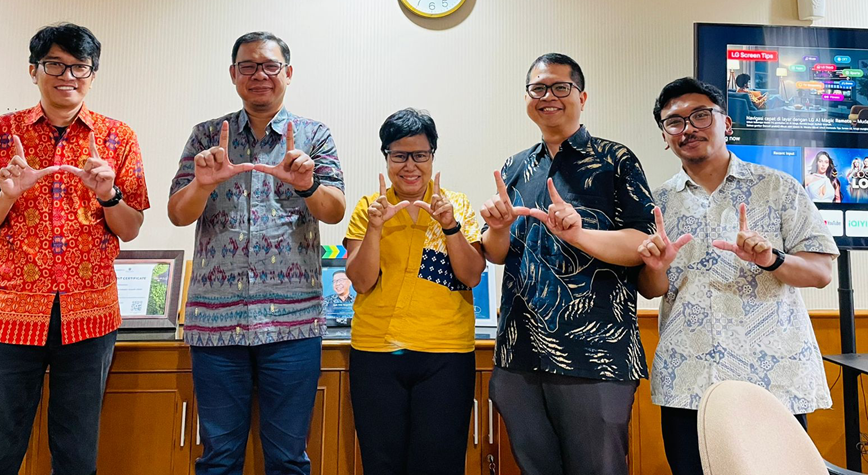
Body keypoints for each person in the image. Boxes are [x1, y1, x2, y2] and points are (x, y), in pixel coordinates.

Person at [0, 23, 149, 475]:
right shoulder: (0, 133)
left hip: (90, 316)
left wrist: (108, 195)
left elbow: (131, 229)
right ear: (33, 70)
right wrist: (7, 195)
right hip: (8, 313)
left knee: (76, 456)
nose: (67, 76)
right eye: (54, 64)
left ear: (92, 74)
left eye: (79, 67)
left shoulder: (118, 137)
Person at [638, 77, 836, 475]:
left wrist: (771, 259)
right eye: (674, 122)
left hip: (771, 376)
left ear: (726, 123)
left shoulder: (778, 188)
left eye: (700, 116)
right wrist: (655, 269)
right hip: (688, 378)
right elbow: (650, 290)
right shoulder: (656, 204)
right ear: (664, 136)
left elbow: (821, 272)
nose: (688, 128)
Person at [168, 31, 345, 475]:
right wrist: (202, 185)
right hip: (216, 325)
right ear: (233, 74)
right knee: (218, 458)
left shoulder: (313, 135)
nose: (259, 75)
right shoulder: (207, 136)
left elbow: (335, 210)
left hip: (293, 325)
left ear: (288, 72)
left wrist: (306, 184)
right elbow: (178, 213)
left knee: (288, 459)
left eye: (270, 66)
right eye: (248, 66)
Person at [479, 53, 655, 475]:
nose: (549, 97)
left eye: (561, 87)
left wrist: (579, 234)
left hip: (596, 355)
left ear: (582, 97)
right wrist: (498, 228)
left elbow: (643, 243)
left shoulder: (615, 160)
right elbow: (497, 253)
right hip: (519, 353)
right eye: (538, 88)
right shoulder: (516, 166)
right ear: (527, 98)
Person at [343, 108, 485, 475]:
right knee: (381, 462)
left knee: (440, 463)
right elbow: (361, 281)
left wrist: (450, 225)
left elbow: (471, 276)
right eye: (399, 156)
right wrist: (375, 228)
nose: (410, 166)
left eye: (419, 155)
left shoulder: (457, 206)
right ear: (386, 158)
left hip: (445, 353)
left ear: (432, 156)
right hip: (377, 351)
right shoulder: (369, 207)